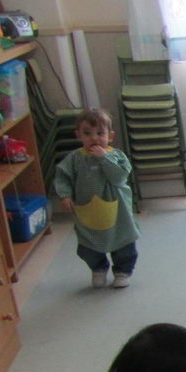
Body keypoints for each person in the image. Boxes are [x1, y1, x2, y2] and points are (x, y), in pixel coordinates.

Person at [53, 108, 141, 289]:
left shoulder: (116, 156)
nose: (94, 138)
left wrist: (104, 158)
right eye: (87, 134)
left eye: (100, 133)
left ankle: (123, 271)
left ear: (110, 136)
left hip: (118, 213)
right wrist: (65, 195)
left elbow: (119, 177)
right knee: (88, 247)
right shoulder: (74, 158)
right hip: (88, 212)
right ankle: (98, 268)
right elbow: (63, 177)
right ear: (79, 135)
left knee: (123, 244)